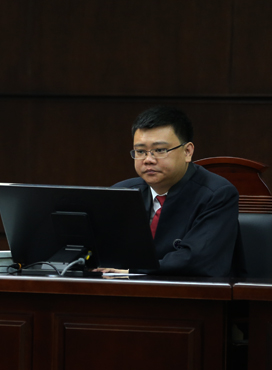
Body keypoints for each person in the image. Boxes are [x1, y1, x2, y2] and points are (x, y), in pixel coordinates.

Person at [95, 106, 244, 277]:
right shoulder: (121, 193)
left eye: (160, 150)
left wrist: (131, 271)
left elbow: (197, 260)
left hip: (193, 291)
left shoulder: (217, 194)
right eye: (140, 151)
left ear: (187, 152)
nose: (148, 160)